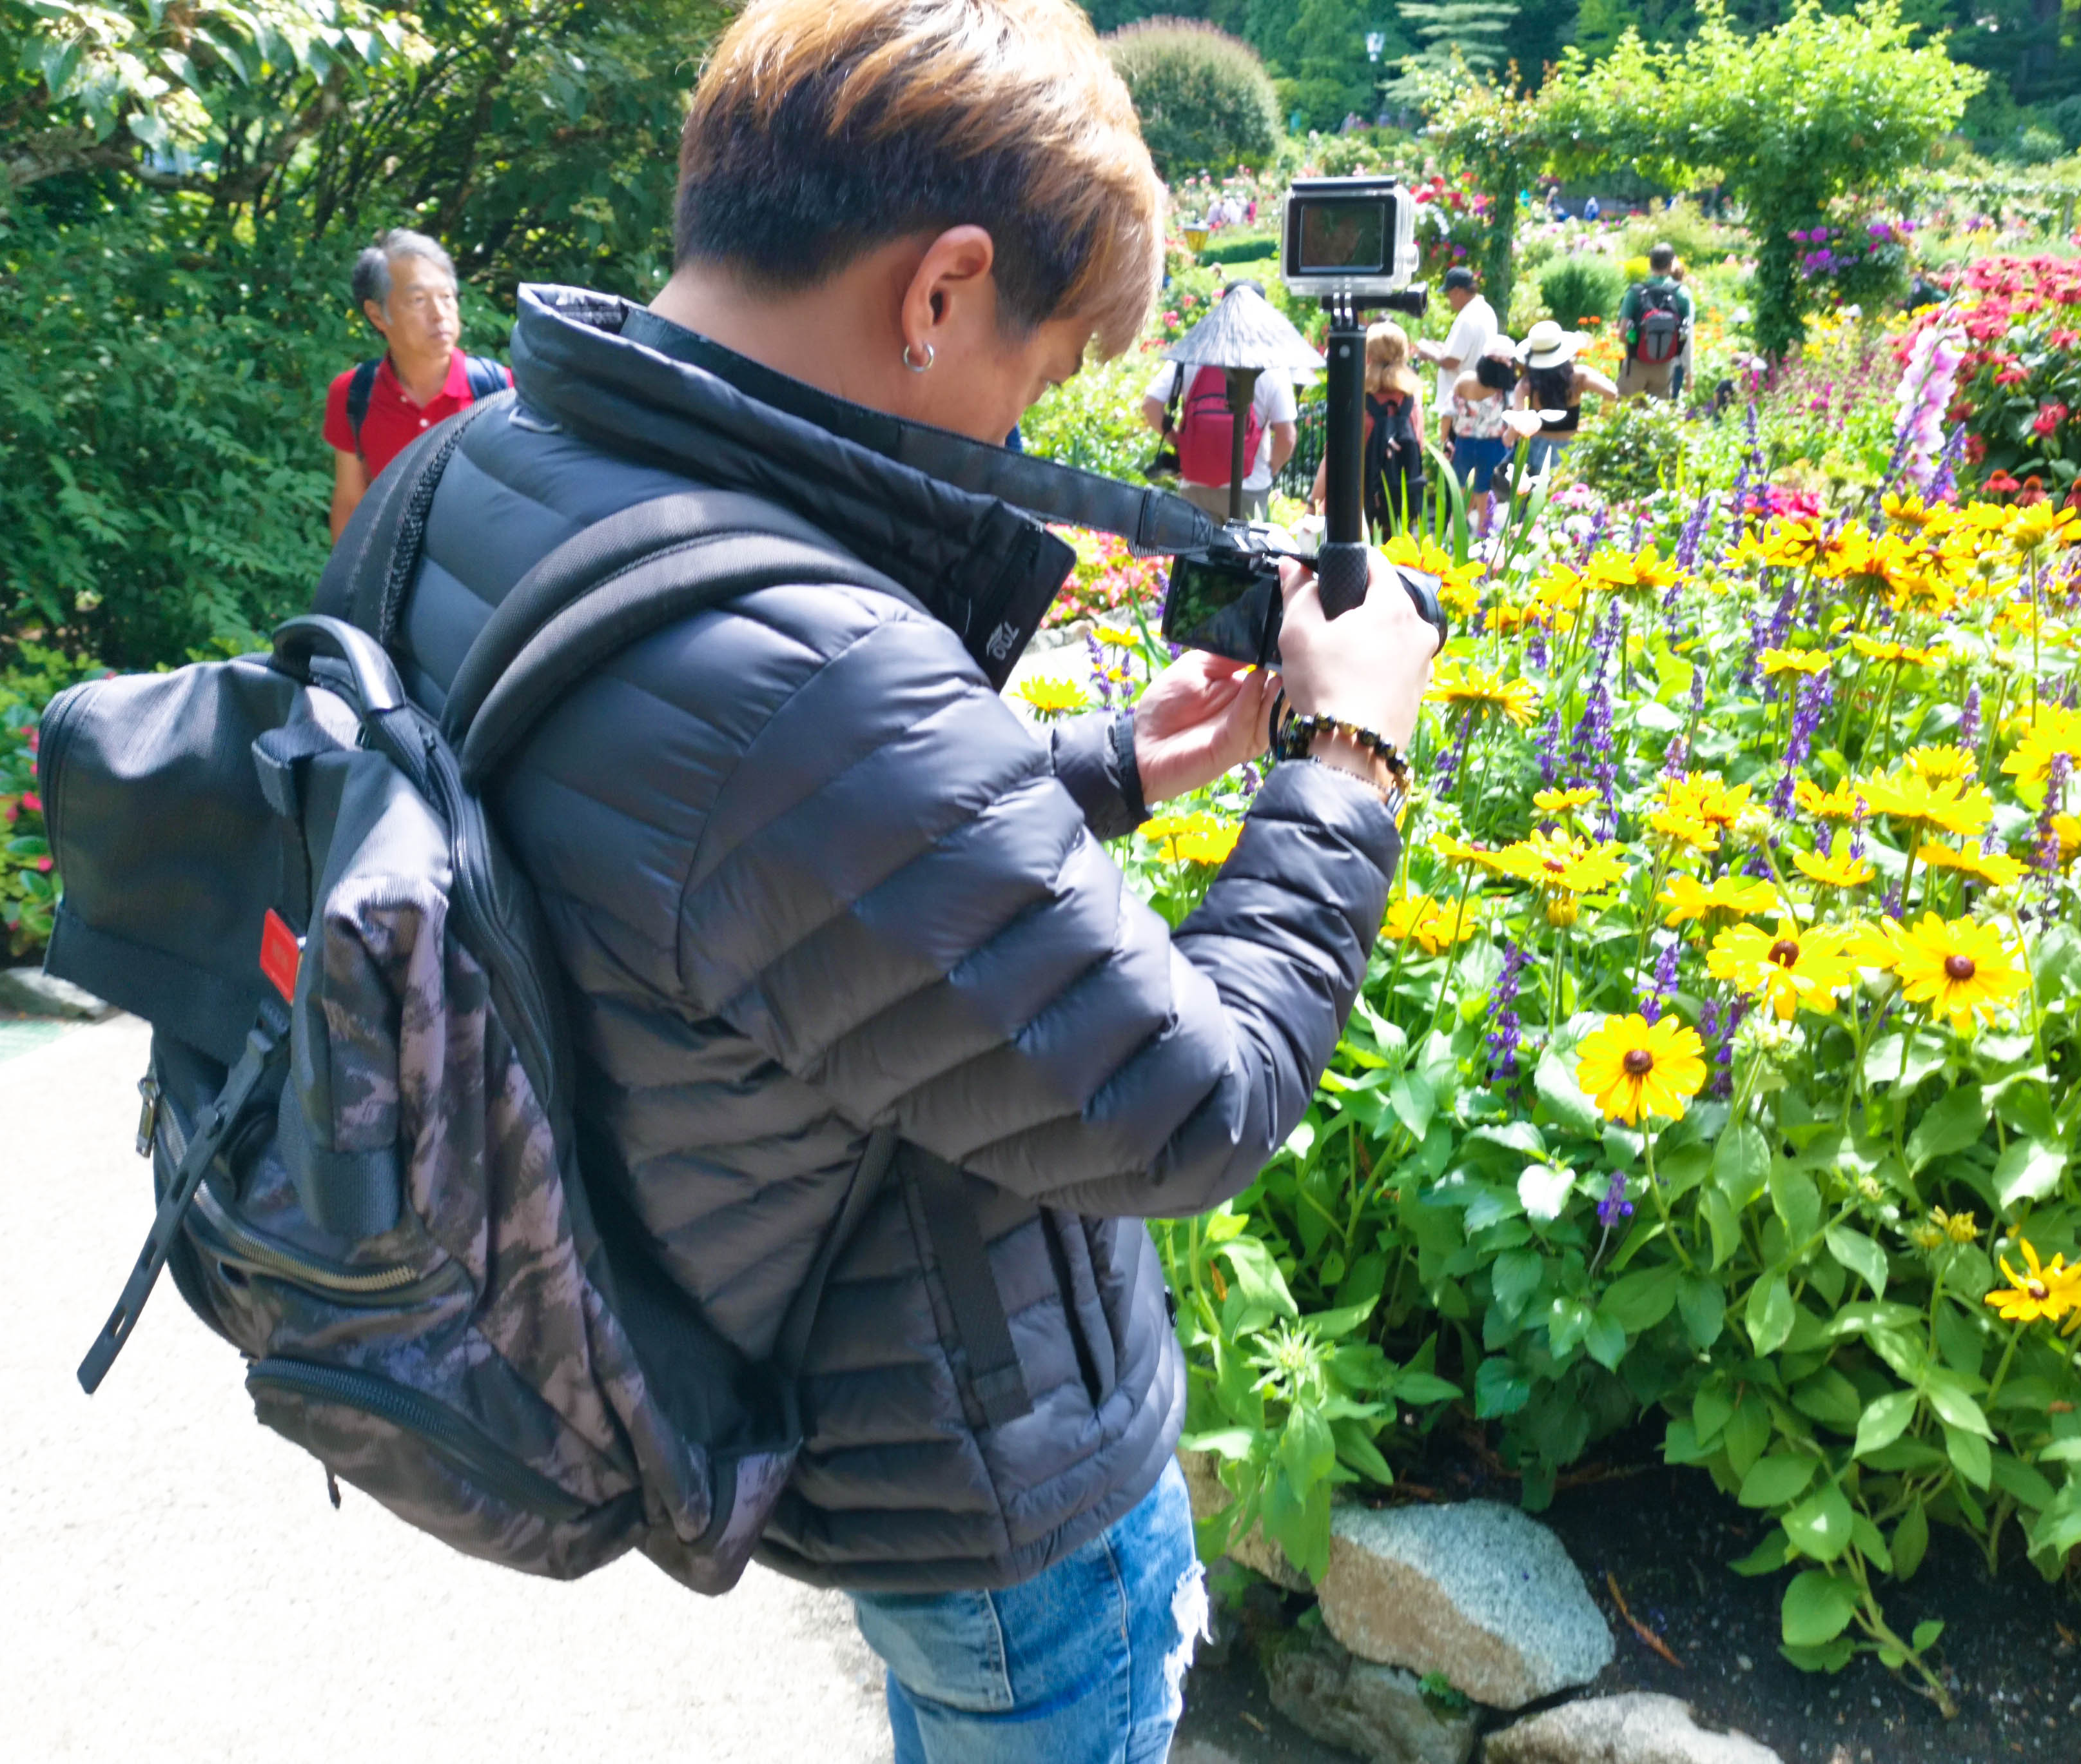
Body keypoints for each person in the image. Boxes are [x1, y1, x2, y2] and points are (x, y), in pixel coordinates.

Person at [369, 3, 1438, 1759]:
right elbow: (1192, 1107)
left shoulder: (475, 481)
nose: (1033, 428)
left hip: (775, 1364)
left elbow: (711, 853)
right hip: (983, 1480)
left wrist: (1106, 763)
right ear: (941, 290)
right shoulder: (820, 676)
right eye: (1042, 375)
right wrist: (1349, 758)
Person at [324, 230, 510, 541]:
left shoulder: (501, 390)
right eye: (418, 300)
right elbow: (349, 502)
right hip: (391, 578)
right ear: (377, 314)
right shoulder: (353, 394)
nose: (440, 315)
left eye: (447, 298)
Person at [1139, 284, 1298, 522]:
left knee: (1194, 557)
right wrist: (1270, 468)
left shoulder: (1193, 355)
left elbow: (1150, 406)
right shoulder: (1272, 365)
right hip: (1249, 486)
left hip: (1194, 483)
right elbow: (1287, 437)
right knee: (1244, 558)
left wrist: (1178, 443)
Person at [1309, 320, 1425, 542]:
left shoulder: (1356, 399)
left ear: (1367, 354)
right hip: (1398, 517)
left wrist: (1312, 502)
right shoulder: (1412, 401)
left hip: (1353, 515)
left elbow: (1333, 458)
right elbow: (1419, 447)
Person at [1508, 318, 1618, 484]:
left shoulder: (1526, 386)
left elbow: (1515, 428)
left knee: (1533, 503)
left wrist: (1506, 437)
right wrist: (1600, 421)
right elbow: (1612, 393)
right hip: (1570, 451)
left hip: (1537, 450)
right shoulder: (1578, 377)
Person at [1445, 340, 1518, 538]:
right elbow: (1514, 421)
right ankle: (1483, 543)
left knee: (1462, 493)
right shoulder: (1507, 390)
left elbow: (1448, 412)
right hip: (1493, 447)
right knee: (1487, 497)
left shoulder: (1464, 380)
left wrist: (1445, 440)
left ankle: (1452, 541)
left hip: (1464, 444)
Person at [1414, 266, 1495, 416]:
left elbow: (1451, 362)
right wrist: (1441, 347)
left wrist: (1428, 353)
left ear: (1457, 291)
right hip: (1476, 398)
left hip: (1459, 404)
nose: (1448, 299)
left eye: (1449, 294)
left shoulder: (1467, 317)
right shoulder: (1486, 311)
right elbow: (1469, 351)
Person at [1617, 242, 1692, 402]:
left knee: (1623, 416)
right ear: (1672, 264)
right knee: (1656, 421)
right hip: (1665, 367)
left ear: (1650, 263)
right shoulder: (1682, 293)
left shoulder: (1635, 293)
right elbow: (1686, 335)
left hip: (1635, 365)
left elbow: (1622, 335)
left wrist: (1640, 343)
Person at [1668, 257, 1698, 402]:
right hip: (1675, 362)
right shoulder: (1684, 295)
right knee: (1670, 406)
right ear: (1683, 276)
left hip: (1649, 360)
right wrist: (1689, 374)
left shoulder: (1652, 290)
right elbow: (1686, 336)